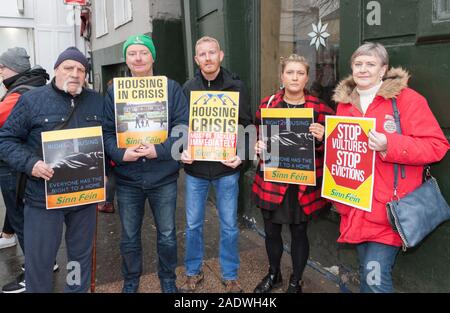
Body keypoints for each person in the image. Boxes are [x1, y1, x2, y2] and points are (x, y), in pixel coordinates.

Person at [332, 42, 449, 293]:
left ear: (383, 69)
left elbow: (437, 146)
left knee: (374, 280)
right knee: (363, 274)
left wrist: (390, 144)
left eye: (370, 64)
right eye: (358, 64)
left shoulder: (407, 100)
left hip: (388, 212)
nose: (363, 70)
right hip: (353, 208)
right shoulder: (344, 105)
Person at [0, 47, 104, 293]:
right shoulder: (32, 100)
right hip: (42, 198)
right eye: (69, 67)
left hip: (84, 198)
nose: (75, 73)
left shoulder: (96, 101)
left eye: (81, 69)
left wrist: (106, 170)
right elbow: (5, 140)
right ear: (56, 69)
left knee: (79, 260)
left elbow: (107, 139)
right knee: (40, 262)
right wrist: (31, 164)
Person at [103, 34, 188, 293]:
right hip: (128, 178)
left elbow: (182, 128)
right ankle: (131, 282)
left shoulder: (172, 89)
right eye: (132, 53)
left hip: (163, 176)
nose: (138, 58)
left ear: (153, 56)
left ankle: (168, 280)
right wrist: (120, 154)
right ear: (126, 59)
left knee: (167, 235)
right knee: (129, 237)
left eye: (143, 52)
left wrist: (159, 150)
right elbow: (106, 132)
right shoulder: (113, 92)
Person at [252, 54, 334, 293]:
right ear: (282, 76)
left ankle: (296, 280)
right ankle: (274, 273)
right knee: (271, 232)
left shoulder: (320, 109)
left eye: (300, 73)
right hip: (273, 181)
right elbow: (258, 138)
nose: (295, 77)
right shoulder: (267, 105)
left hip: (302, 184)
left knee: (299, 232)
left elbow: (334, 147)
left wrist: (323, 137)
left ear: (307, 77)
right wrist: (257, 147)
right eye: (290, 72)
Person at [180, 36, 252, 293]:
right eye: (203, 54)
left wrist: (241, 156)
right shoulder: (187, 88)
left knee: (230, 225)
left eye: (212, 52)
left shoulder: (237, 87)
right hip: (196, 169)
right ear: (196, 59)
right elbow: (180, 126)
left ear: (221, 55)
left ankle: (230, 274)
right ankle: (192, 271)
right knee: (193, 224)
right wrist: (181, 150)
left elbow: (247, 125)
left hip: (226, 169)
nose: (208, 58)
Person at [0, 47, 50, 292]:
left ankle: (35, 273)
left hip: (14, 165)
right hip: (27, 162)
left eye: (3, 67)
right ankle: (39, 261)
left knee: (22, 218)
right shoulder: (34, 84)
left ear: (15, 68)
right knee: (20, 213)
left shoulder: (19, 93)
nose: (0, 71)